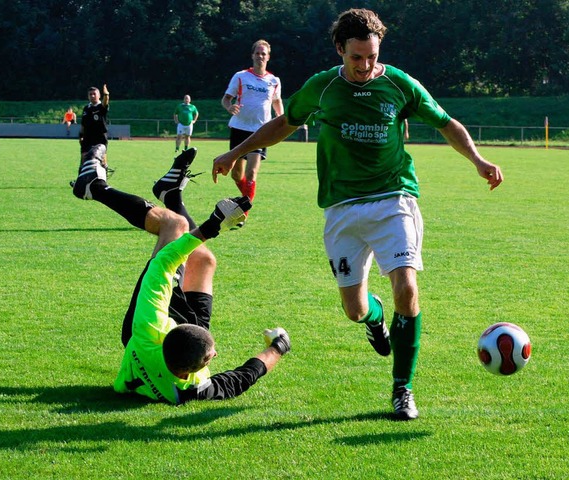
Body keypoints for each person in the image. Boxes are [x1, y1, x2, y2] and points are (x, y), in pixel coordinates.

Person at [213, 8, 503, 420]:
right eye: (356, 58)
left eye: (372, 57)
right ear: (339, 50)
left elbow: (445, 122)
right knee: (354, 309)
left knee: (406, 287)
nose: (366, 66)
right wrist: (235, 151)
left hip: (393, 199)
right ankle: (375, 318)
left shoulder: (400, 84)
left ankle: (402, 389)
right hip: (342, 207)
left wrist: (478, 160)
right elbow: (282, 124)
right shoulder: (322, 87)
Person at [72, 146, 291, 403]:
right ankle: (170, 192)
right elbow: (244, 377)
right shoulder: (191, 388)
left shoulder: (150, 326)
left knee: (176, 225)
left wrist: (213, 225)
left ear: (168, 331)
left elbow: (165, 262)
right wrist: (277, 348)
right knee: (205, 260)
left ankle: (93, 186)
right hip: (181, 339)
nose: (216, 355)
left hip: (145, 330)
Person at [221, 39, 284, 206]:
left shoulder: (274, 80)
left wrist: (282, 118)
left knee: (251, 173)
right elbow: (226, 99)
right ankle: (246, 199)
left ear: (268, 57)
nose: (260, 56)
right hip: (239, 128)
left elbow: (276, 101)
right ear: (252, 56)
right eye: (257, 53)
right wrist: (229, 107)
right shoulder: (241, 76)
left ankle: (243, 211)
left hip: (261, 130)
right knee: (236, 174)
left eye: (263, 54)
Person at [80, 84, 112, 173]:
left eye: (94, 94)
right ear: (88, 96)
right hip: (87, 138)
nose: (92, 96)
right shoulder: (86, 108)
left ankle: (103, 181)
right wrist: (80, 136)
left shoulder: (101, 107)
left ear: (99, 95)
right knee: (83, 160)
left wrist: (106, 95)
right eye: (90, 94)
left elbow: (105, 103)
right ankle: (79, 181)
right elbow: (83, 124)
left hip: (100, 137)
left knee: (102, 161)